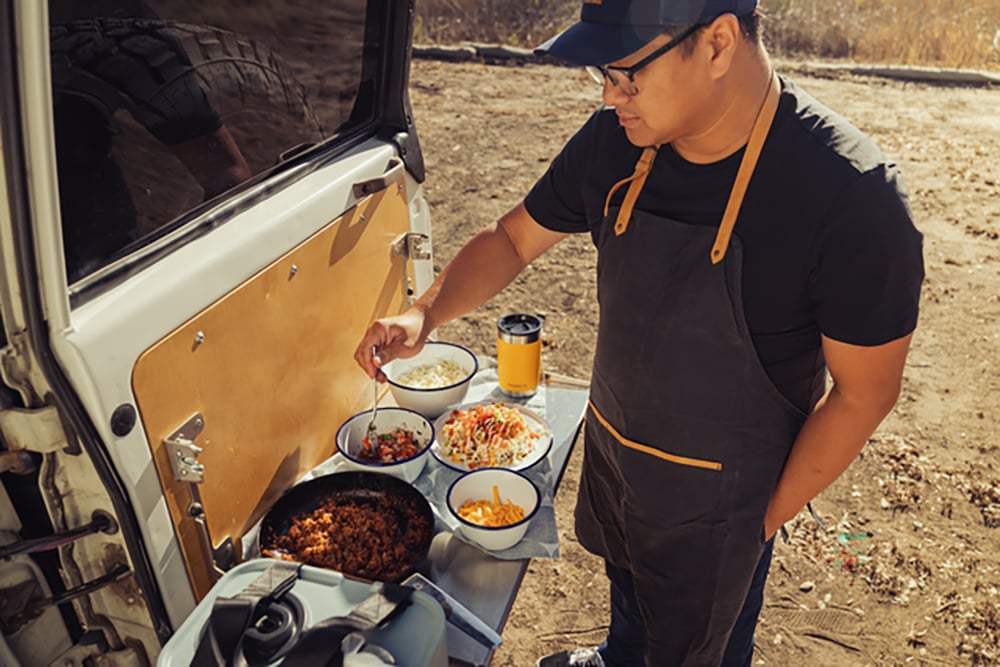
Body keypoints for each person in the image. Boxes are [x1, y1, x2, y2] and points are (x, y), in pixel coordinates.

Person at [354, 0, 924, 664]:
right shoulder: (614, 142)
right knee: (630, 614)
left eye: (627, 75)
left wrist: (759, 520)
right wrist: (425, 312)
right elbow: (513, 238)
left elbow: (864, 394)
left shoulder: (851, 196)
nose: (610, 96)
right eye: (603, 73)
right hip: (620, 466)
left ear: (716, 43)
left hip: (722, 515)